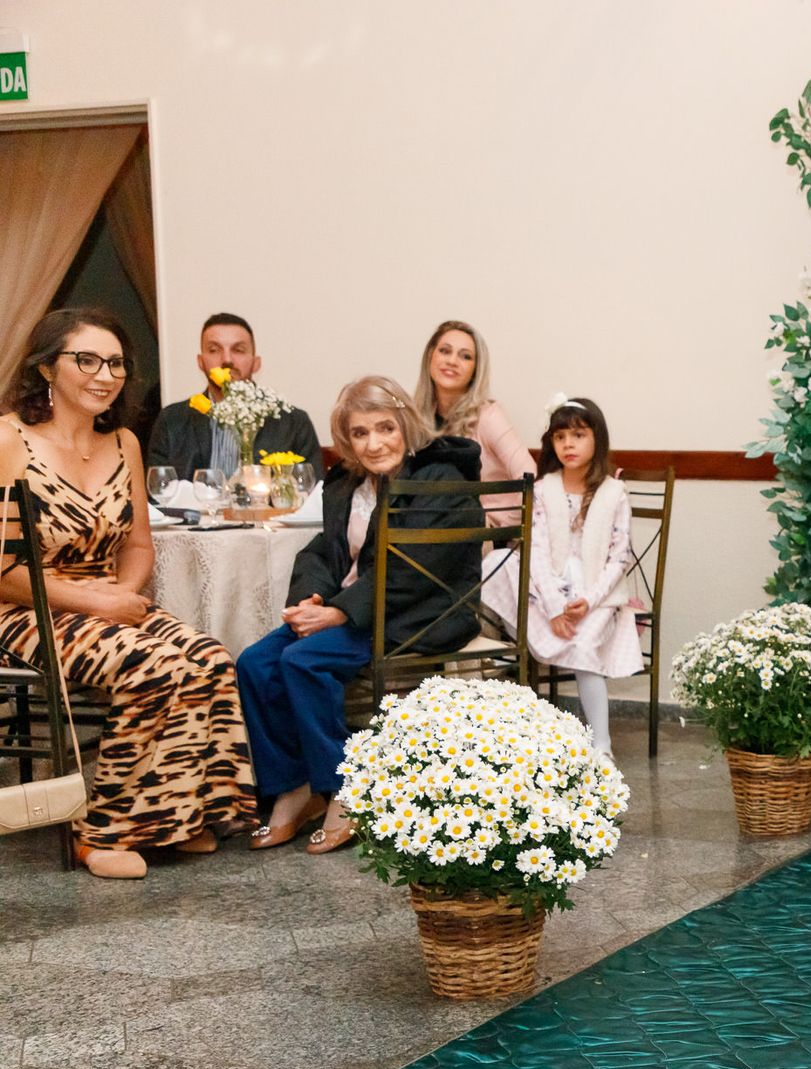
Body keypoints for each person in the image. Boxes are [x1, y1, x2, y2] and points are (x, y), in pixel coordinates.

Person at [0, 308, 253, 878]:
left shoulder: (123, 443)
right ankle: (100, 833)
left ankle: (175, 819)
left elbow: (138, 546)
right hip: (25, 608)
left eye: (115, 363)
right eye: (87, 360)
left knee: (210, 659)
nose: (105, 375)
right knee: (153, 665)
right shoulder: (7, 439)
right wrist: (99, 603)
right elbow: (3, 572)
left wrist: (122, 595)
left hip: (109, 599)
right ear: (46, 368)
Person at [237, 376, 483, 855]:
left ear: (405, 425)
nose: (374, 443)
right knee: (255, 662)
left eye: (385, 428)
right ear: (347, 441)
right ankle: (294, 786)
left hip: (417, 613)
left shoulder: (440, 479)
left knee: (303, 660)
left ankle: (346, 789)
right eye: (360, 433)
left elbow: (415, 570)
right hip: (357, 608)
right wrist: (312, 598)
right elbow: (322, 551)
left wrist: (339, 613)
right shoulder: (347, 483)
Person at [481, 397, 640, 756]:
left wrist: (589, 601)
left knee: (583, 647)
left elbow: (619, 557)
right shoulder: (543, 489)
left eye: (578, 435)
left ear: (597, 438)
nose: (568, 444)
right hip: (549, 590)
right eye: (560, 437)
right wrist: (554, 606)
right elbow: (535, 551)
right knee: (498, 563)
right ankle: (520, 652)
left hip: (597, 594)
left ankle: (601, 744)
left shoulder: (613, 492)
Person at [146, 313, 320, 478]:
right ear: (200, 362)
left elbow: (311, 489)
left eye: (238, 350)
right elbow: (158, 488)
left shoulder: (293, 423)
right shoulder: (172, 421)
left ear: (256, 363)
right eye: (214, 350)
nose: (227, 359)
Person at [413, 320, 535, 526]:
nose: (452, 361)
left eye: (465, 356)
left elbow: (531, 476)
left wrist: (501, 527)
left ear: (475, 370)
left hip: (478, 533)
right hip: (427, 528)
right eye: (445, 351)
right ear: (430, 357)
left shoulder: (489, 416)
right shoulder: (414, 418)